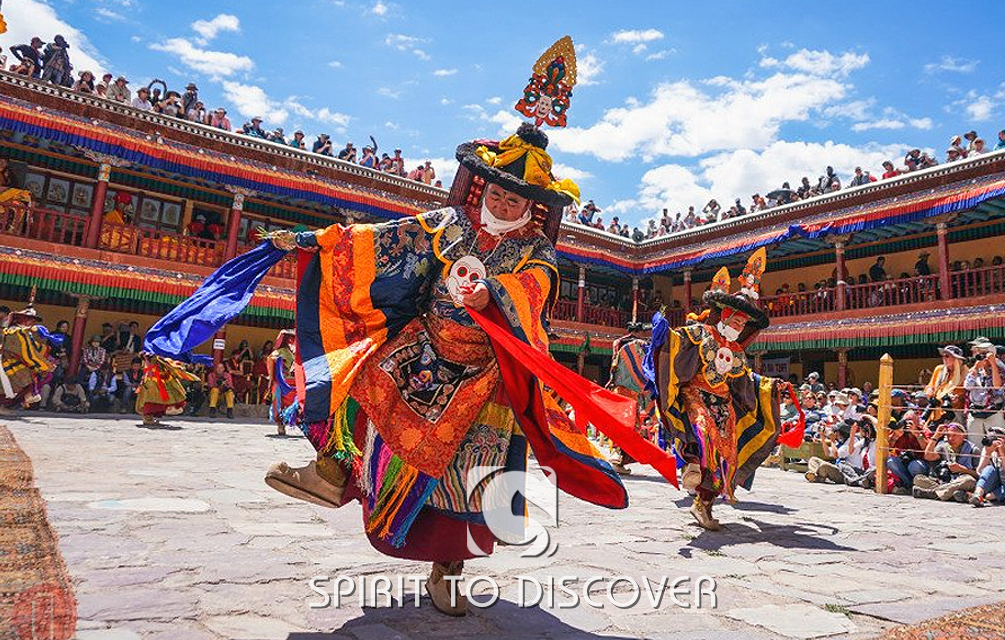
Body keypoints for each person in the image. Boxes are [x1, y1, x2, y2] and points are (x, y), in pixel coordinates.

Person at [146, 113, 676, 617]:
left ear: (530, 207)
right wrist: (315, 241)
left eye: (513, 198)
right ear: (480, 189)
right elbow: (384, 242)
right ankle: (334, 472)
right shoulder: (448, 224)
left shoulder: (535, 250)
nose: (501, 202)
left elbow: (533, 292)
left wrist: (490, 293)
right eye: (495, 192)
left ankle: (450, 565)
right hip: (419, 350)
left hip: (484, 374)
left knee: (468, 477)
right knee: (357, 376)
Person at [647, 247, 798, 530]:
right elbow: (677, 343)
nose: (740, 326)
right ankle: (690, 463)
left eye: (744, 324)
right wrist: (663, 331)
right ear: (726, 315)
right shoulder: (702, 334)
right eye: (737, 320)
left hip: (724, 405)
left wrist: (772, 387)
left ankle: (703, 504)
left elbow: (746, 381)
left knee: (726, 457)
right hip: (696, 395)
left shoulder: (738, 353)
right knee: (703, 436)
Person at [605, 322, 655, 474]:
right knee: (630, 424)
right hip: (634, 389)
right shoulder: (641, 345)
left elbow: (614, 364)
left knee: (621, 421)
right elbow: (645, 368)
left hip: (619, 387)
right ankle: (617, 457)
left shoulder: (618, 343)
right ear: (639, 332)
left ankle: (618, 456)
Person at [913, 422, 979, 501]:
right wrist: (936, 436)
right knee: (918, 478)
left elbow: (979, 475)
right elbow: (928, 456)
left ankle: (932, 493)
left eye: (954, 435)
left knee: (969, 480)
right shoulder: (943, 446)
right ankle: (955, 495)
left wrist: (962, 470)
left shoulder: (973, 450)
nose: (950, 439)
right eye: (948, 435)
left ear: (963, 435)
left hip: (963, 480)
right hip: (946, 481)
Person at [964, 338, 1005, 447]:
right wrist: (975, 369)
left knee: (997, 445)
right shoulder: (975, 368)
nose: (980, 356)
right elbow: (967, 387)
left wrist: (992, 364)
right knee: (975, 445)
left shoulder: (999, 367)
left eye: (984, 353)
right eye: (979, 353)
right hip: (976, 412)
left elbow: (997, 386)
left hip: (993, 412)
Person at [969, 426, 1005, 506]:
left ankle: (989, 497)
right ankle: (978, 495)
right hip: (994, 485)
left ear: (1004, 440)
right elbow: (979, 471)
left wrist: (1002, 454)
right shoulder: (988, 448)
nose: (992, 441)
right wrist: (987, 454)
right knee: (989, 468)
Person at [923, 345, 967, 427]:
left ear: (956, 359)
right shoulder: (939, 369)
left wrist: (957, 398)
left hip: (954, 413)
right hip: (935, 412)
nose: (944, 358)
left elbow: (965, 393)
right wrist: (929, 390)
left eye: (947, 356)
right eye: (943, 356)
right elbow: (930, 386)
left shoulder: (965, 372)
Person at [267, 329, 297, 436]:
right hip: (282, 382)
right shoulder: (281, 351)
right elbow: (271, 358)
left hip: (296, 383)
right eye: (289, 338)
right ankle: (281, 425)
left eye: (293, 338)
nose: (292, 340)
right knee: (278, 404)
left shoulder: (298, 351)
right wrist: (279, 362)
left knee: (298, 403)